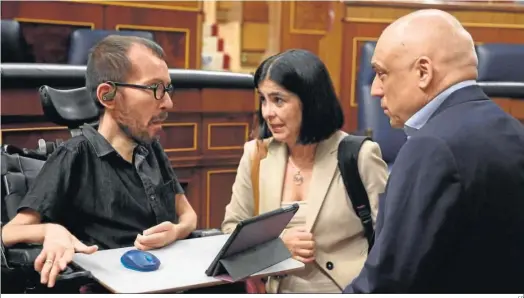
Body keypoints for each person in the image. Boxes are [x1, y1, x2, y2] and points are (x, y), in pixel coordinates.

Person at [344, 9, 524, 293]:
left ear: (423, 72)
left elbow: (388, 283)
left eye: (381, 73)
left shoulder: (431, 148)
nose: (376, 89)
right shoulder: (513, 130)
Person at [1, 35, 197, 289]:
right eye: (155, 89)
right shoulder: (75, 156)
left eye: (168, 89)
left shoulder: (151, 148)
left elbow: (188, 215)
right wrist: (51, 231)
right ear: (108, 96)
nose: (168, 102)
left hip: (165, 281)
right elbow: (9, 232)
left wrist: (177, 231)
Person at [221, 49, 389, 293]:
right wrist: (277, 249)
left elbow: (389, 239)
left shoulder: (360, 155)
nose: (268, 112)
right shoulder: (256, 155)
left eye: (279, 100)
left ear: (310, 102)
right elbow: (230, 235)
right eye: (263, 99)